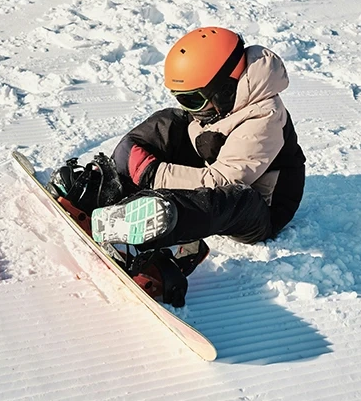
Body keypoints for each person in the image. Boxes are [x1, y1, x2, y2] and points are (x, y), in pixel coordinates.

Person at [48, 27, 305, 306]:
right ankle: (108, 190)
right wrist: (137, 161)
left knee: (237, 198)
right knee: (168, 122)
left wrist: (153, 174)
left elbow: (221, 181)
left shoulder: (265, 119)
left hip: (259, 210)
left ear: (227, 86)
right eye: (181, 97)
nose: (190, 107)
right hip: (213, 160)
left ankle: (164, 237)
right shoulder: (223, 103)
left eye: (193, 99)